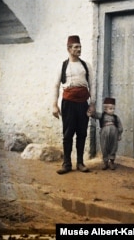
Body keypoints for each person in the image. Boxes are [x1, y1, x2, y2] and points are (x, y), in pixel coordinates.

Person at [52, 35, 95, 174]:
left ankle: (80, 163)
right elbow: (56, 85)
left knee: (82, 133)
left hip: (83, 103)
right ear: (69, 49)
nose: (79, 49)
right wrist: (54, 105)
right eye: (76, 47)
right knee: (68, 134)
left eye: (80, 47)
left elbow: (92, 85)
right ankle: (67, 164)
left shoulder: (86, 66)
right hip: (68, 103)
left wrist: (92, 104)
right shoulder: (62, 65)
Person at [87, 97, 123, 170]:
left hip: (114, 134)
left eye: (113, 109)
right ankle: (105, 162)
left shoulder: (116, 118)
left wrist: (119, 135)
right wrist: (91, 113)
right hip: (104, 133)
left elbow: (120, 126)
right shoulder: (102, 115)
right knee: (104, 146)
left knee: (113, 146)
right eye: (110, 109)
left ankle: (112, 162)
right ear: (105, 109)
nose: (112, 110)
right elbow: (95, 115)